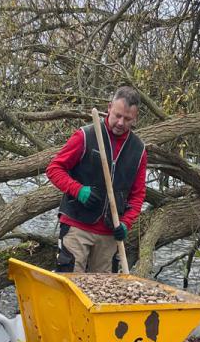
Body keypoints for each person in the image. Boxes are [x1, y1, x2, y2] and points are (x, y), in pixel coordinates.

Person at [46, 85, 147, 273]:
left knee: (105, 287)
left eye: (127, 119)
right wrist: (78, 190)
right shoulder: (85, 135)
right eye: (117, 115)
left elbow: (138, 195)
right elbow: (54, 169)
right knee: (70, 283)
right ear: (109, 108)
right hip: (77, 226)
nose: (120, 123)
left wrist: (126, 223)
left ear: (135, 118)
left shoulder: (138, 150)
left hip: (110, 233)